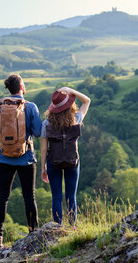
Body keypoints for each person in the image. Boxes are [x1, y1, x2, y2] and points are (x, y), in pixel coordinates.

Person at [0, 74, 42, 248]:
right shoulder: (30, 107)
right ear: (22, 88)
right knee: (29, 196)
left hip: (4, 157)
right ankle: (34, 233)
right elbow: (39, 132)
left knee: (3, 197)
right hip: (26, 158)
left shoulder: (0, 107)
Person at [40, 87, 90, 225]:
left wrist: (43, 168)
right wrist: (71, 91)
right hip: (72, 162)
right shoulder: (76, 119)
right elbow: (87, 101)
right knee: (71, 196)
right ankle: (72, 226)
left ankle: (57, 227)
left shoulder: (46, 123)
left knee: (56, 196)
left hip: (53, 162)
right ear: (70, 106)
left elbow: (44, 149)